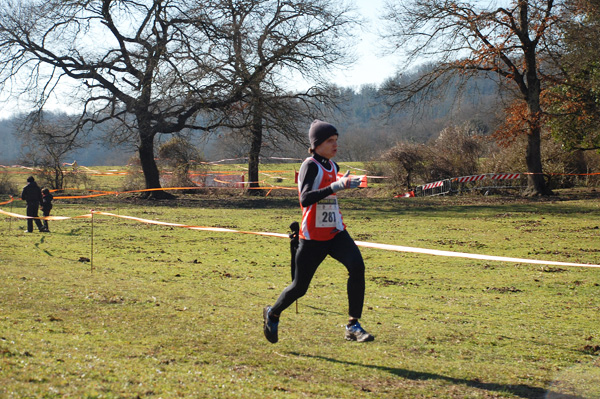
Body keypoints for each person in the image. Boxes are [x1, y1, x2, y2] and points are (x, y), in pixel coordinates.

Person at [263, 120, 374, 343]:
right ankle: (272, 314)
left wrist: (345, 184)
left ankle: (353, 325)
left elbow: (330, 193)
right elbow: (305, 198)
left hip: (335, 232)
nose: (335, 145)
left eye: (336, 141)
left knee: (357, 267)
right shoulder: (310, 165)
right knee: (299, 288)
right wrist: (335, 187)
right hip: (312, 238)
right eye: (330, 141)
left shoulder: (334, 166)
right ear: (316, 144)